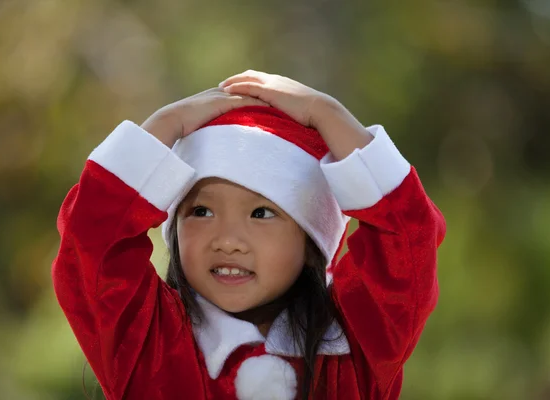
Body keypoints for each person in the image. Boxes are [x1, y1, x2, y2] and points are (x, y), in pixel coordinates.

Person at [52, 70, 446, 400]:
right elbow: (90, 244)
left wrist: (325, 113)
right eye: (201, 211)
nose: (227, 241)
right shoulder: (146, 343)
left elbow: (407, 241)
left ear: (312, 244)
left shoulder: (356, 346)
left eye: (261, 213)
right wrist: (165, 125)